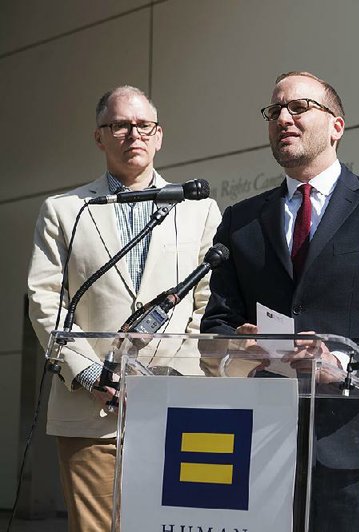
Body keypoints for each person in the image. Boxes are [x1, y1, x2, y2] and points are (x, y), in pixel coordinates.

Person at [201, 71, 359, 531]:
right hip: (261, 441)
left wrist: (343, 361)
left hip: (353, 445)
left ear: (336, 125)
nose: (283, 118)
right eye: (274, 111)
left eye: (299, 107)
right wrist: (238, 347)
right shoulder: (241, 221)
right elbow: (218, 325)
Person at [27, 85, 221, 532]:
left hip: (175, 403)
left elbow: (208, 301)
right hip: (91, 410)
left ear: (159, 136)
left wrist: (176, 378)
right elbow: (46, 302)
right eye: (119, 125)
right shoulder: (64, 211)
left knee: (173, 525)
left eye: (143, 125)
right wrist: (90, 373)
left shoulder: (199, 208)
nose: (133, 134)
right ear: (99, 136)